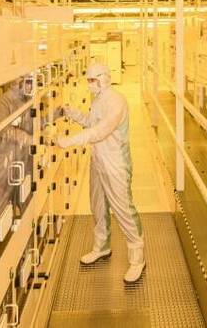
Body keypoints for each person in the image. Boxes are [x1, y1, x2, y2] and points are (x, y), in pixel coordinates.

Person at [55, 63, 145, 284]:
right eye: (88, 80)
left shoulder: (116, 102)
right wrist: (72, 112)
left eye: (92, 80)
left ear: (104, 79)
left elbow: (100, 131)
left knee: (123, 209)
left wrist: (68, 141)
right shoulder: (98, 100)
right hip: (98, 162)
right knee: (98, 207)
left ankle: (137, 258)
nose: (89, 85)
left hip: (116, 164)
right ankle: (101, 247)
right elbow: (91, 122)